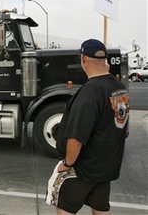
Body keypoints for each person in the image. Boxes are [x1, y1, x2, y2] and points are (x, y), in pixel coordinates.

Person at [46, 39, 130, 215]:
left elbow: (76, 136)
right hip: (106, 167)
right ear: (104, 60)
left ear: (83, 58)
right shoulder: (119, 88)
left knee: (65, 209)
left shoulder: (89, 93)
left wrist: (67, 164)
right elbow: (124, 129)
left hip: (83, 169)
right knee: (100, 209)